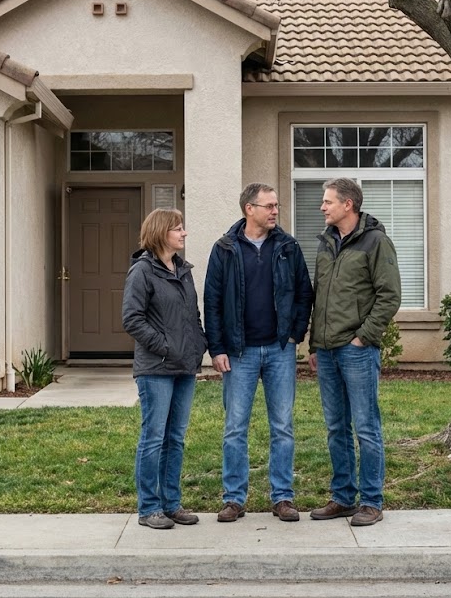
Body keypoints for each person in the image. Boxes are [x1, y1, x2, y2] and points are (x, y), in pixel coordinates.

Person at [204, 183, 314, 523]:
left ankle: (282, 497)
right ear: (249, 209)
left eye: (276, 205)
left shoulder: (287, 246)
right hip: (239, 353)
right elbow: (212, 301)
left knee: (282, 426)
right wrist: (217, 347)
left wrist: (296, 334)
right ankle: (234, 498)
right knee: (235, 427)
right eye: (268, 206)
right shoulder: (224, 248)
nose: (275, 211)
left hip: (280, 349)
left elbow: (303, 293)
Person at [308, 178, 401, 527]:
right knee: (336, 427)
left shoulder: (376, 242)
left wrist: (364, 337)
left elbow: (389, 295)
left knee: (366, 427)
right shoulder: (326, 242)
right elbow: (321, 297)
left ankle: (372, 501)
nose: (322, 207)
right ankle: (344, 497)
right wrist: (315, 343)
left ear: (348, 205)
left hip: (356, 350)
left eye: (328, 201)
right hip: (328, 351)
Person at [122, 208, 207, 530]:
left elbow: (192, 316)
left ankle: (172, 504)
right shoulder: (143, 271)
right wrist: (165, 346)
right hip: (156, 368)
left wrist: (199, 344)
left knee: (176, 438)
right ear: (161, 232)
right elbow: (132, 319)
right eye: (179, 229)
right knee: (153, 438)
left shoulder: (182, 270)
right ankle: (149, 508)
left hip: (184, 367)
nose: (184, 234)